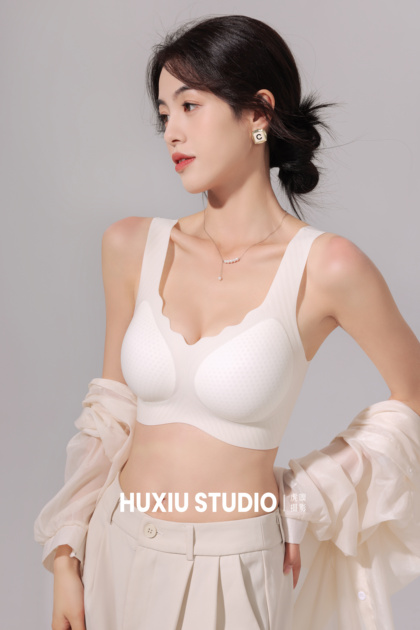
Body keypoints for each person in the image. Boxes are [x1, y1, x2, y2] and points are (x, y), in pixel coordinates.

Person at [34, 14, 420, 630]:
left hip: (236, 570)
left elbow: (414, 394)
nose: (172, 131)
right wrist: (65, 554)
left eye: (190, 105)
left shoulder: (326, 267)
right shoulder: (131, 246)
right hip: (115, 550)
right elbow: (109, 412)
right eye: (164, 113)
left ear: (258, 113)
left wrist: (311, 494)